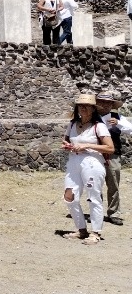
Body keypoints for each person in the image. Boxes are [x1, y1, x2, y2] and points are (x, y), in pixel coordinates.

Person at [62, 93, 113, 243]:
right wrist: (67, 145)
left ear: (93, 109)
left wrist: (87, 145)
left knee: (93, 197)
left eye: (87, 106)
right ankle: (81, 229)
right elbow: (66, 140)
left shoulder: (99, 126)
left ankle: (95, 232)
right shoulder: (72, 124)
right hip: (74, 162)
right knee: (69, 196)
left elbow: (110, 148)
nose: (83, 108)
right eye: (80, 106)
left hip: (92, 163)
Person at [96, 91, 130, 226]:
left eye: (108, 103)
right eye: (102, 102)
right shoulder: (91, 117)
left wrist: (118, 124)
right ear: (97, 103)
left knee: (113, 184)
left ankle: (114, 213)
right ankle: (96, 213)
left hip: (113, 155)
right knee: (95, 185)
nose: (105, 105)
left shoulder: (118, 117)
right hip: (95, 155)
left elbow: (131, 129)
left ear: (112, 105)